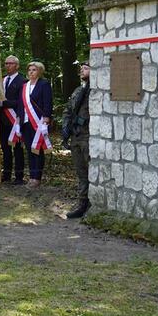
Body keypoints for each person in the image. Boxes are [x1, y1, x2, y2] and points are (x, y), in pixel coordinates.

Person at [63, 62, 90, 218]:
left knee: (92, 171)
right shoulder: (78, 91)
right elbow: (68, 110)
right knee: (81, 173)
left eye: (86, 68)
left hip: (88, 136)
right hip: (76, 136)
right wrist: (66, 128)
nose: (82, 70)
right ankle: (82, 203)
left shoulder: (95, 92)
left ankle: (93, 202)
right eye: (81, 68)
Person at [20, 61, 53, 188]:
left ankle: (37, 178)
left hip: (39, 122)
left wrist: (46, 118)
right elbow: (20, 104)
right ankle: (31, 176)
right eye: (29, 70)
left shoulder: (44, 84)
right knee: (29, 149)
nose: (31, 72)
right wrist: (18, 119)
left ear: (39, 71)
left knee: (37, 149)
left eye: (34, 70)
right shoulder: (25, 86)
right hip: (26, 121)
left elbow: (48, 102)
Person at [0, 55, 26, 184]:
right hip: (2, 119)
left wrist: (4, 104)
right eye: (6, 63)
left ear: (17, 65)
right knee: (5, 147)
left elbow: (21, 101)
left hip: (16, 120)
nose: (7, 65)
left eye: (10, 63)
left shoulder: (22, 81)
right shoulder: (1, 80)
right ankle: (6, 174)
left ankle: (19, 176)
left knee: (17, 148)